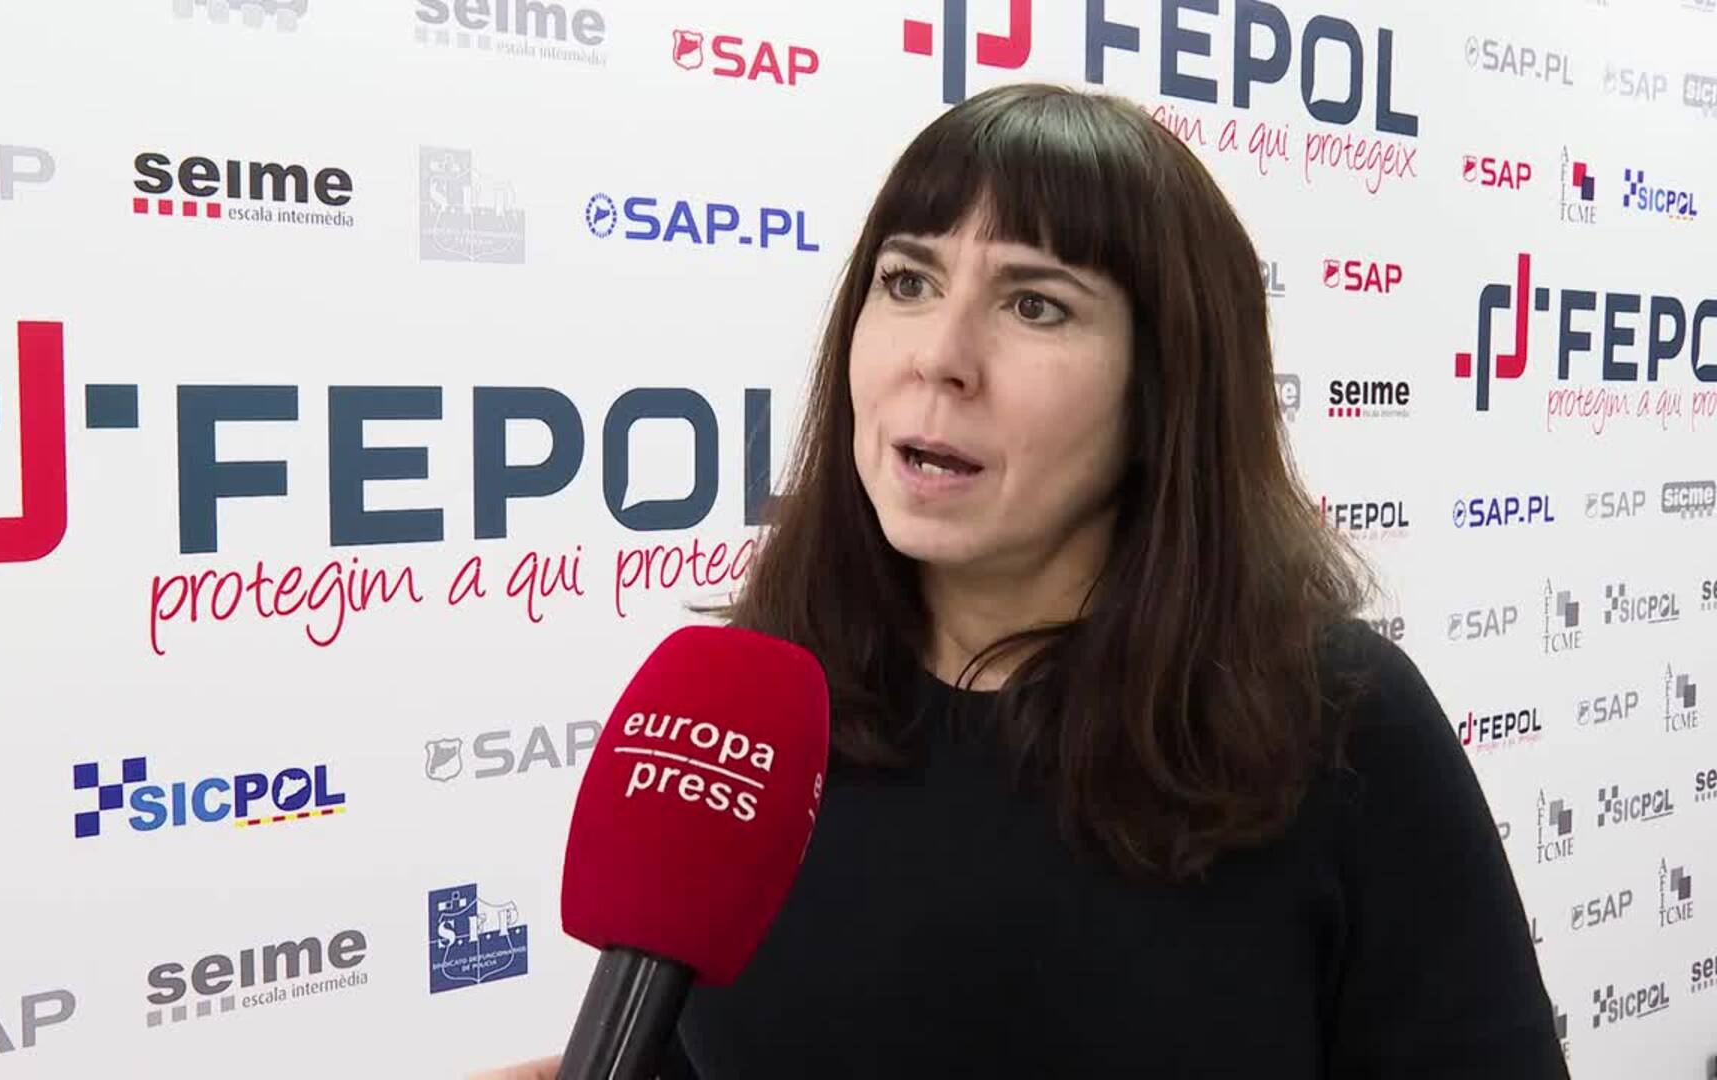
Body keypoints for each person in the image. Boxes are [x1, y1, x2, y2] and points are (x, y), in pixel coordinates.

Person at [476, 82, 1566, 1079]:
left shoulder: (1336, 722)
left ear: (1164, 386)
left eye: (1035, 304)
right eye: (908, 281)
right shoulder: (757, 715)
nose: (940, 355)